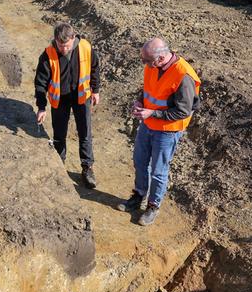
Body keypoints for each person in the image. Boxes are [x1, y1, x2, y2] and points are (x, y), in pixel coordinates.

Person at [119, 38, 201, 226]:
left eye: (147, 60)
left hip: (167, 131)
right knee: (140, 161)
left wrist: (152, 112)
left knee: (158, 170)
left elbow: (183, 111)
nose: (144, 64)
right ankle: (138, 195)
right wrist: (140, 102)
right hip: (148, 124)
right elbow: (148, 89)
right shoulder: (152, 65)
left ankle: (153, 206)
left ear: (161, 58)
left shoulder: (183, 75)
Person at [35, 22, 101, 189]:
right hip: (60, 100)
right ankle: (59, 163)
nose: (63, 49)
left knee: (85, 131)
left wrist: (96, 90)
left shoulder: (85, 47)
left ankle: (87, 167)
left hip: (82, 97)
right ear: (55, 40)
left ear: (73, 38)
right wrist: (41, 107)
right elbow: (40, 83)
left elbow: (95, 68)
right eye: (60, 45)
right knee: (59, 133)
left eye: (66, 46)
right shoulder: (48, 54)